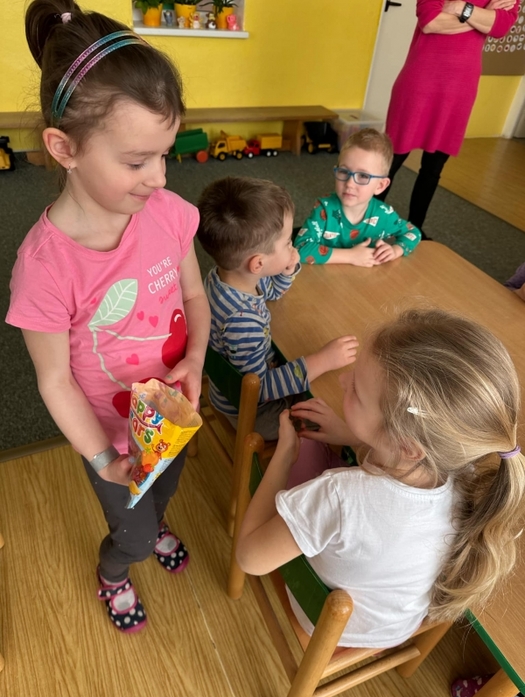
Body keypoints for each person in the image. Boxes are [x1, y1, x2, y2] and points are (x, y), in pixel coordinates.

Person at [6, 0, 211, 633]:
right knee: (133, 532)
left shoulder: (168, 215)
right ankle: (116, 570)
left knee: (165, 491)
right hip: (110, 438)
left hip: (168, 420)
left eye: (165, 154)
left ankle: (152, 523)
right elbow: (54, 381)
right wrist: (102, 460)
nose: (159, 178)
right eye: (136, 161)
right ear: (64, 148)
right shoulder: (45, 267)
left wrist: (195, 359)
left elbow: (194, 297)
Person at [237, 308, 525, 648]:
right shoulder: (466, 474)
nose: (342, 381)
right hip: (396, 627)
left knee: (307, 456)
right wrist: (354, 436)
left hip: (328, 624)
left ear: (406, 445)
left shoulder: (337, 496)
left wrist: (284, 454)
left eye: (356, 391)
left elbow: (249, 557)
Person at [196, 176, 359, 440]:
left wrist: (286, 268)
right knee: (334, 413)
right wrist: (323, 360)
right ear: (258, 264)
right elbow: (259, 389)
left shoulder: (225, 277)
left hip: (226, 388)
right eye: (287, 242)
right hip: (252, 412)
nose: (292, 246)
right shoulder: (242, 322)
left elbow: (269, 292)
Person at [378, 0, 520, 238]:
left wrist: (461, 8)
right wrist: (482, 17)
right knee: (390, 160)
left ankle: (415, 230)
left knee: (433, 168)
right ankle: (365, 224)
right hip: (419, 80)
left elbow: (500, 28)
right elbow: (430, 22)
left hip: (460, 88)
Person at [294, 129, 421, 267]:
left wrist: (396, 250)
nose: (349, 183)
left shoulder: (384, 214)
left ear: (380, 186)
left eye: (363, 176)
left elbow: (413, 232)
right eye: (344, 172)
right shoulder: (324, 209)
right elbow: (300, 248)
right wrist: (351, 256)